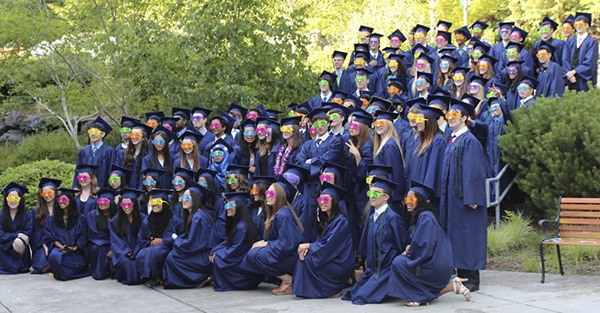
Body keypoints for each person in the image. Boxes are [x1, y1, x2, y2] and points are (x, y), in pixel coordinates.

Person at [388, 181, 470, 306]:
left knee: (398, 263)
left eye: (411, 199)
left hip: (434, 264)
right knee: (400, 261)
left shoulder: (426, 217)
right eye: (406, 199)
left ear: (420, 201)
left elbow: (424, 245)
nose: (408, 202)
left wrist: (409, 252)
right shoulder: (422, 217)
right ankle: (453, 286)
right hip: (433, 261)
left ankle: (420, 297)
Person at [440, 101, 487, 292]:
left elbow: (474, 171)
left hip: (466, 199)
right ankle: (461, 275)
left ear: (465, 118)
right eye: (449, 115)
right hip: (454, 198)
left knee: (468, 236)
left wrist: (473, 198)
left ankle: (471, 279)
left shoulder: (470, 141)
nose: (450, 118)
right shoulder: (453, 139)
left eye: (455, 115)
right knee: (458, 236)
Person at [342, 177, 408, 305]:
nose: (371, 196)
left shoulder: (393, 218)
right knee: (353, 293)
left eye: (375, 193)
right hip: (373, 269)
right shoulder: (372, 217)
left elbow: (401, 244)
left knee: (361, 297)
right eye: (370, 193)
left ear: (386, 197)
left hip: (386, 269)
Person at [240, 182, 304, 295]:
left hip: (291, 257)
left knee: (254, 255)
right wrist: (265, 242)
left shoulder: (283, 215)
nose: (268, 195)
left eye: (272, 193)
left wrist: (266, 244)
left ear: (280, 196)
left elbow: (287, 244)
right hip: (287, 254)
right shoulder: (278, 212)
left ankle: (289, 280)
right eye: (267, 193)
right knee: (254, 251)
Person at [293, 183, 354, 298]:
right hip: (330, 256)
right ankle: (307, 290)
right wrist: (308, 248)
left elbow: (329, 246)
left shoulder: (341, 221)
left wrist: (309, 246)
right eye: (320, 199)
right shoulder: (325, 219)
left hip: (339, 262)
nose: (322, 202)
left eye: (326, 199)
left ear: (334, 201)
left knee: (309, 258)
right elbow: (321, 243)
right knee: (304, 255)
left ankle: (331, 289)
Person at [163, 182, 218, 289]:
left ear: (196, 199)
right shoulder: (197, 214)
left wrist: (176, 239)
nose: (184, 200)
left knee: (173, 258)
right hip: (201, 252)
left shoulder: (198, 217)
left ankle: (200, 278)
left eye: (188, 197)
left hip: (205, 256)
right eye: (184, 197)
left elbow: (193, 244)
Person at [210, 192, 262, 291]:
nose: (228, 208)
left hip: (243, 261)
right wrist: (215, 250)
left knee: (218, 259)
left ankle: (239, 283)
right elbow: (229, 242)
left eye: (231, 205)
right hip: (240, 256)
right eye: (227, 205)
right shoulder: (238, 223)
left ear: (239, 207)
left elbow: (236, 249)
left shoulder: (242, 227)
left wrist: (218, 254)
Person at [135, 189, 184, 287]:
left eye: (158, 202)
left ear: (165, 203)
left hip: (169, 247)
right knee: (142, 253)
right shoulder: (147, 221)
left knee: (157, 251)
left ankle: (156, 276)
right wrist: (150, 242)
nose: (154, 204)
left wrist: (163, 241)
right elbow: (140, 239)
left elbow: (182, 237)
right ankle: (148, 276)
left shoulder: (175, 221)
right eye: (152, 202)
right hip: (150, 247)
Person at [44, 188, 90, 281]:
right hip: (59, 249)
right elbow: (50, 237)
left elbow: (83, 237)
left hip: (76, 251)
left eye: (64, 200)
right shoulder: (51, 219)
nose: (61, 202)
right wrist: (61, 246)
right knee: (55, 257)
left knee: (67, 263)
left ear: (71, 201)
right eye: (59, 200)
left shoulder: (81, 219)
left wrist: (75, 247)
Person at [372, 108, 406, 215]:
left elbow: (394, 173)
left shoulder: (389, 146)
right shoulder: (383, 144)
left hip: (390, 198)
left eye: (382, 123)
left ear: (390, 125)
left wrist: (394, 198)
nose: (378, 125)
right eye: (376, 122)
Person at [109, 188, 144, 285]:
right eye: (123, 205)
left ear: (135, 205)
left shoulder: (143, 219)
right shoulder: (115, 221)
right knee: (128, 263)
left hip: (139, 251)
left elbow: (143, 238)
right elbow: (115, 240)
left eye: (129, 205)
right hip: (123, 253)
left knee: (140, 260)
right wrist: (126, 251)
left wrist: (136, 252)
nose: (126, 207)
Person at [0, 182, 32, 274]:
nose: (12, 201)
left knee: (18, 242)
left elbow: (28, 232)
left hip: (20, 247)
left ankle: (21, 264)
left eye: (16, 198)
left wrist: (17, 238)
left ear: (20, 199)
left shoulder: (27, 215)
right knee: (17, 239)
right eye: (10, 198)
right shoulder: (1, 215)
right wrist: (17, 235)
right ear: (6, 199)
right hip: (4, 245)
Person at [74, 116, 115, 188]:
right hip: (85, 189)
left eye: (96, 132)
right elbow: (78, 172)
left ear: (102, 134)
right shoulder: (83, 151)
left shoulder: (109, 151)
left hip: (103, 189)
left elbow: (111, 172)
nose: (93, 134)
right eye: (91, 132)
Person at [30, 178, 61, 274]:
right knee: (40, 267)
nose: (47, 195)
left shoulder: (61, 208)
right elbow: (35, 231)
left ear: (55, 193)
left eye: (50, 192)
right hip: (42, 243)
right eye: (44, 193)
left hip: (58, 242)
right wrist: (44, 245)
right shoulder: (36, 211)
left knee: (58, 259)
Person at [562, 12, 598, 92]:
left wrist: (575, 72)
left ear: (586, 25)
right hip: (570, 80)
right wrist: (569, 75)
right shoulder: (570, 41)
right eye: (576, 25)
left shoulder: (592, 42)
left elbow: (590, 62)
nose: (578, 27)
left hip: (584, 80)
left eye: (580, 24)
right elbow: (565, 59)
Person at [87, 188, 118, 280]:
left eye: (105, 200)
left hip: (115, 246)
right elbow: (96, 235)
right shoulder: (92, 215)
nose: (102, 203)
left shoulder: (118, 216)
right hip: (97, 244)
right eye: (100, 200)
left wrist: (114, 248)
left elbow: (121, 235)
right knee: (100, 248)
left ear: (111, 202)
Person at [116, 122, 151, 188]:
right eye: (132, 135)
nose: (134, 137)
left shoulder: (149, 155)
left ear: (143, 137)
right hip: (126, 190)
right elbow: (119, 173)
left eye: (137, 135)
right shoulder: (122, 154)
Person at [142, 125, 176, 190]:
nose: (158, 144)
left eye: (161, 141)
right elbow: (145, 179)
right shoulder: (147, 159)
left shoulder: (172, 158)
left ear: (166, 142)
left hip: (169, 192)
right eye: (156, 142)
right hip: (154, 192)